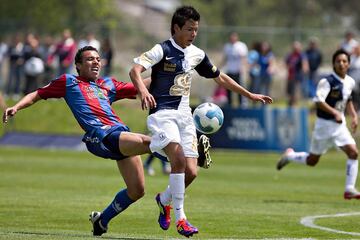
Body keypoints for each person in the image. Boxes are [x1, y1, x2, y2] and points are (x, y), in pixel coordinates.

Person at [129, 6, 273, 237]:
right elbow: (135, 70)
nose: (193, 33)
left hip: (185, 117)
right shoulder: (162, 49)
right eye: (189, 29)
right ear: (176, 28)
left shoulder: (197, 54)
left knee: (192, 172)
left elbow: (220, 77)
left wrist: (249, 95)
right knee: (177, 160)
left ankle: (164, 200)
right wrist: (143, 92)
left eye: (196, 29)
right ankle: (181, 219)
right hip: (162, 114)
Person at [3, 46, 154, 237]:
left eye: (98, 59)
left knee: (137, 191)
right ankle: (189, 157)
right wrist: (16, 107)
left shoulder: (108, 84)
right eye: (90, 59)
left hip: (119, 133)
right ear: (78, 65)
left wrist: (165, 73)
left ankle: (102, 220)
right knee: (150, 143)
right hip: (100, 136)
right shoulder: (69, 82)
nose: (96, 62)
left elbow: (140, 87)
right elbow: (37, 94)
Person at [277, 49, 360, 200]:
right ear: (334, 64)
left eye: (344, 61)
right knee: (312, 161)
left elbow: (347, 100)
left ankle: (349, 189)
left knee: (353, 153)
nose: (341, 64)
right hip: (324, 126)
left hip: (339, 127)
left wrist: (354, 116)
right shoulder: (327, 82)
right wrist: (334, 112)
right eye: (338, 61)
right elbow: (318, 101)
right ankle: (290, 156)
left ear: (348, 64)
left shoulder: (349, 81)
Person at [222, 31, 248, 108]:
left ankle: (242, 105)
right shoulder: (227, 46)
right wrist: (220, 67)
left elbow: (244, 58)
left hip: (238, 71)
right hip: (230, 71)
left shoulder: (241, 46)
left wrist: (243, 67)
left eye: (234, 37)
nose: (233, 38)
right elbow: (225, 58)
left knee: (240, 88)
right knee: (228, 88)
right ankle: (229, 105)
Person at [285, 41, 309, 106]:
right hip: (290, 77)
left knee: (295, 92)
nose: (296, 49)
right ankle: (290, 105)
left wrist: (305, 69)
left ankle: (294, 105)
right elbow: (286, 63)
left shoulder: (301, 55)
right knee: (289, 92)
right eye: (294, 47)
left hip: (297, 77)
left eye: (297, 47)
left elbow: (305, 63)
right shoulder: (290, 55)